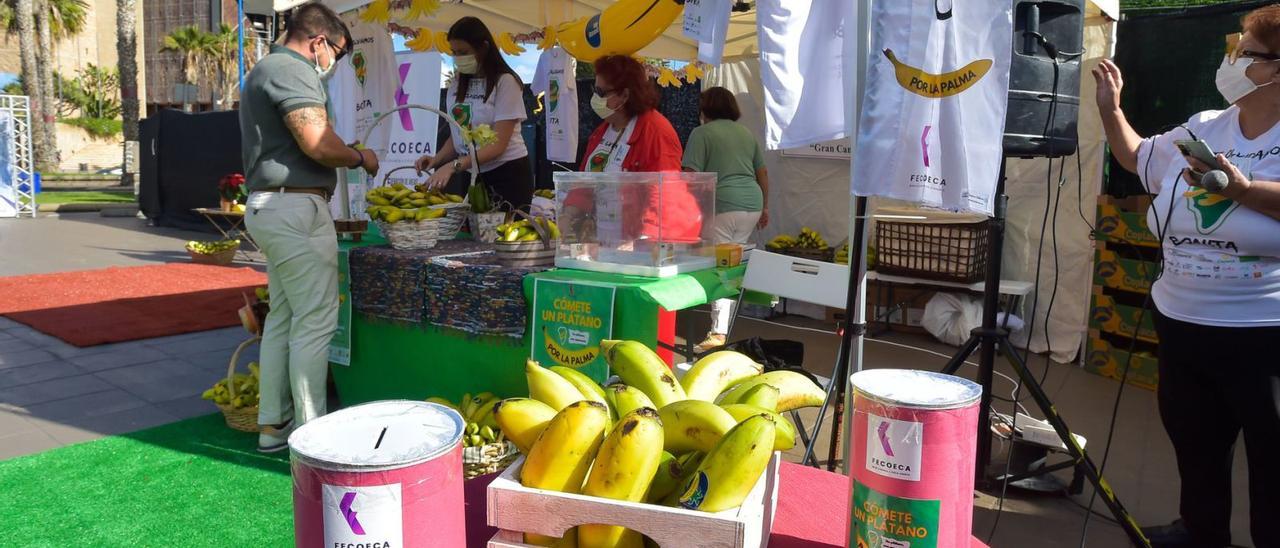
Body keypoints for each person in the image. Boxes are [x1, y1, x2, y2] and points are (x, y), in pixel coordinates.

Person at [1093, 6, 1280, 547]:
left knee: (1273, 458)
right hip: (1184, 320)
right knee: (1195, 441)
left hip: (1264, 332)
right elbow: (1135, 158)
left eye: (1243, 49)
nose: (1232, 58)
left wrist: (1241, 190)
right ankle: (1201, 533)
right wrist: (1112, 109)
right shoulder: (1203, 125)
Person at [239, 2, 378, 453]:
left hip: (273, 207)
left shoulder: (265, 69)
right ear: (318, 42)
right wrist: (360, 157)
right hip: (295, 208)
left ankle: (273, 424)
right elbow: (317, 142)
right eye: (336, 51)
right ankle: (312, 432)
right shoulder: (291, 69)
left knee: (284, 316)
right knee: (316, 321)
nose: (333, 63)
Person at [564, 55, 701, 246]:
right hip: (607, 242)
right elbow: (585, 181)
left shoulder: (655, 131)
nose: (594, 98)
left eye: (601, 92)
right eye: (594, 90)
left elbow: (664, 192)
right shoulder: (602, 132)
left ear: (625, 95)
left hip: (644, 243)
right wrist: (568, 214)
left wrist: (645, 240)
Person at [682, 87, 769, 352]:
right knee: (731, 265)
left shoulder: (701, 133)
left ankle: (718, 332)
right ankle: (723, 327)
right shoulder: (746, 134)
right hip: (752, 204)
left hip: (722, 204)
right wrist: (765, 207)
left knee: (721, 267)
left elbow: (689, 174)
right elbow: (762, 172)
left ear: (705, 108)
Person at [415, 16, 531, 211]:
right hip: (473, 174)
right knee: (475, 237)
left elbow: (498, 145)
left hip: (508, 174)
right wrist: (437, 159)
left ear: (483, 47)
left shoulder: (506, 82)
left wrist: (453, 166)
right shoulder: (457, 82)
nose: (458, 57)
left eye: (464, 52)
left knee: (503, 237)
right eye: (454, 52)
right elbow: (459, 132)